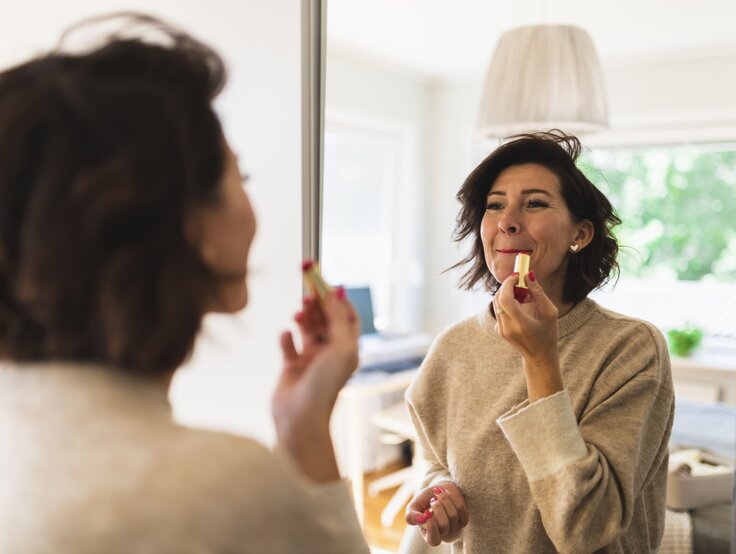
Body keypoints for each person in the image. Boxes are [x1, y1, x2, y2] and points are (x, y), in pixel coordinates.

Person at [0, 13, 368, 553]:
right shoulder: (224, 487)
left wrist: (302, 423)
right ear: (190, 224)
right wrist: (309, 435)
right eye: (237, 175)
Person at [403, 131, 674, 553]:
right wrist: (441, 493)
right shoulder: (451, 349)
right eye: (495, 205)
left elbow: (586, 528)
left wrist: (541, 360)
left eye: (535, 203)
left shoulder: (632, 349)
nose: (508, 220)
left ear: (580, 234)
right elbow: (436, 461)